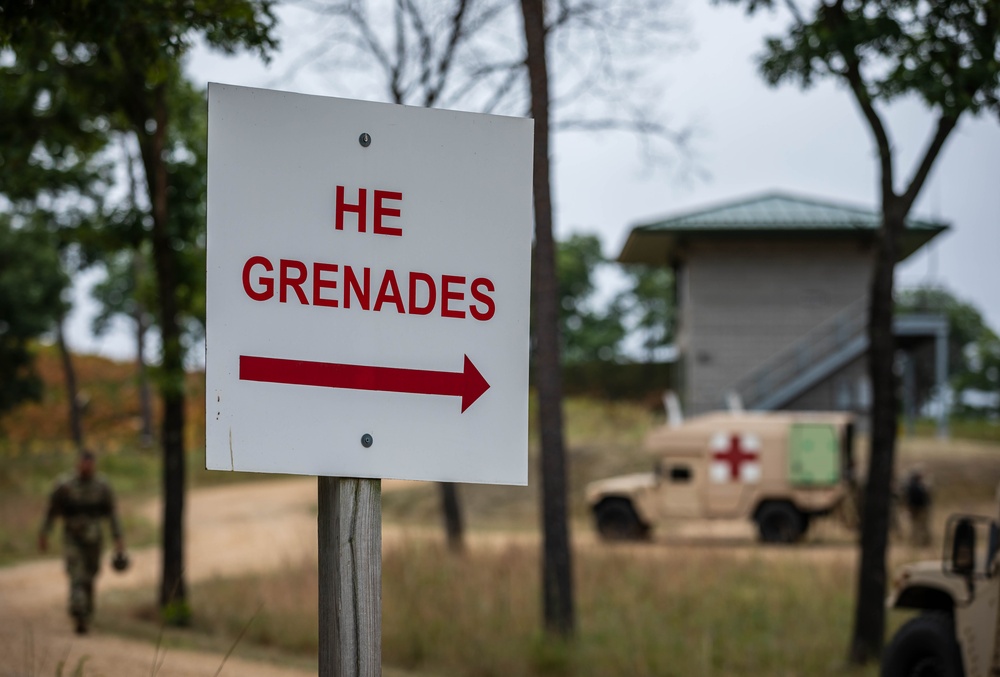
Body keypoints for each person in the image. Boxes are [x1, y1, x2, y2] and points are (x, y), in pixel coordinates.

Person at [38, 450, 125, 634]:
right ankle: (78, 613)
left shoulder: (102, 487)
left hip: (94, 539)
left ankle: (87, 612)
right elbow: (51, 511)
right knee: (76, 574)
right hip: (72, 537)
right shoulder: (65, 485)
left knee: (89, 576)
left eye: (90, 464)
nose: (86, 467)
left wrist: (118, 539)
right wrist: (44, 534)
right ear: (78, 464)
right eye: (84, 463)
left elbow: (112, 515)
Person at [901, 466, 933, 547]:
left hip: (913, 508)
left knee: (915, 526)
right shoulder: (920, 486)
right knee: (921, 526)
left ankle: (916, 542)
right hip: (920, 508)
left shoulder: (909, 485)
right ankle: (921, 542)